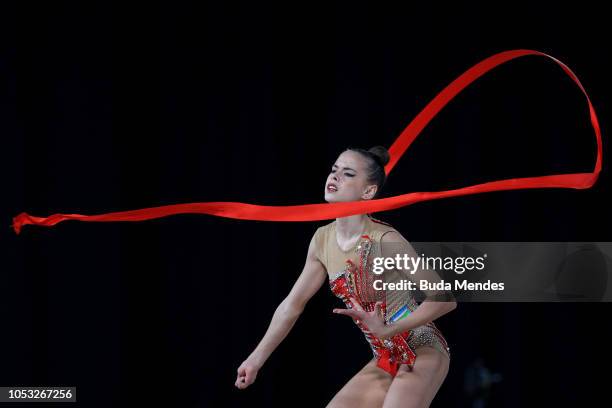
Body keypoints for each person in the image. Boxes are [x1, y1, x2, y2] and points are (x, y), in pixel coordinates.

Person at [235, 146, 457, 407]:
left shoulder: (385, 239)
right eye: (334, 170)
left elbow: (444, 299)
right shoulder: (322, 240)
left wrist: (389, 328)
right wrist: (255, 359)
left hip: (422, 347)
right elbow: (291, 306)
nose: (335, 177)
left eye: (348, 173)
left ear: (368, 192)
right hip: (384, 355)